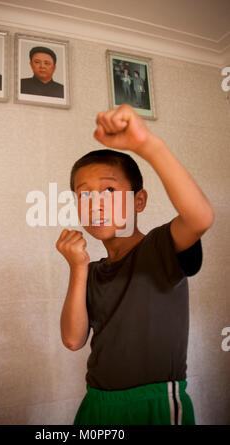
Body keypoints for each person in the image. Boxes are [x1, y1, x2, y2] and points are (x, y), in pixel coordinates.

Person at [56, 104, 214, 425]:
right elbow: (73, 340)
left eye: (109, 190)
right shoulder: (92, 270)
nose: (95, 203)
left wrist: (148, 146)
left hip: (155, 404)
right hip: (97, 402)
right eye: (83, 195)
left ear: (139, 201)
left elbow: (200, 217)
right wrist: (78, 267)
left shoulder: (157, 248)